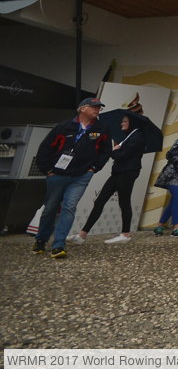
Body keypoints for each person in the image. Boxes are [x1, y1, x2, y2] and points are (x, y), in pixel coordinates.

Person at [33, 97, 111, 258]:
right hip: (57, 174)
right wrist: (48, 170)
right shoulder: (63, 127)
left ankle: (59, 245)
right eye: (94, 107)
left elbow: (105, 151)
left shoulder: (102, 129)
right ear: (82, 109)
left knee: (69, 207)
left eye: (99, 108)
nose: (97, 110)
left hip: (81, 176)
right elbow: (45, 148)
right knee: (50, 209)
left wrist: (93, 168)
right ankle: (41, 239)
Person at [69, 114, 147, 245]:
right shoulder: (129, 136)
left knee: (124, 202)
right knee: (99, 201)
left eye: (125, 121)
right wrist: (116, 149)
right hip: (118, 172)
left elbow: (121, 156)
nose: (122, 123)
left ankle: (125, 234)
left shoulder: (138, 136)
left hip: (127, 173)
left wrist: (114, 150)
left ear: (132, 123)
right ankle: (82, 235)